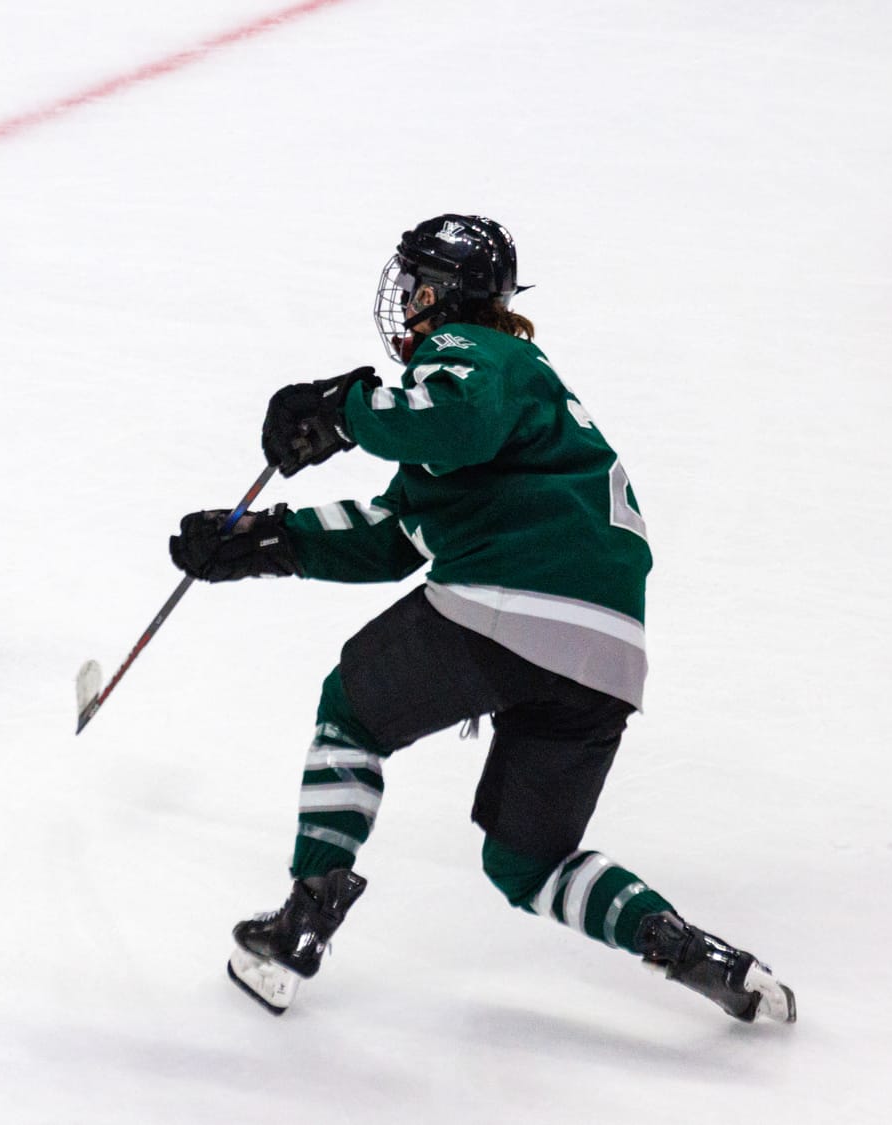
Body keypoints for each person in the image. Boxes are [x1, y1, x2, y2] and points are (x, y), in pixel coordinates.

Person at [167, 214, 795, 1023]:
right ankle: (691, 950)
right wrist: (271, 539)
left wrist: (342, 409)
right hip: (607, 652)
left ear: (437, 292)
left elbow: (452, 417)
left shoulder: (475, 354)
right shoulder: (509, 401)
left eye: (413, 285)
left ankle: (302, 923)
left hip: (515, 597)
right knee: (528, 864)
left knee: (351, 711)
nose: (404, 303)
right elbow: (400, 532)